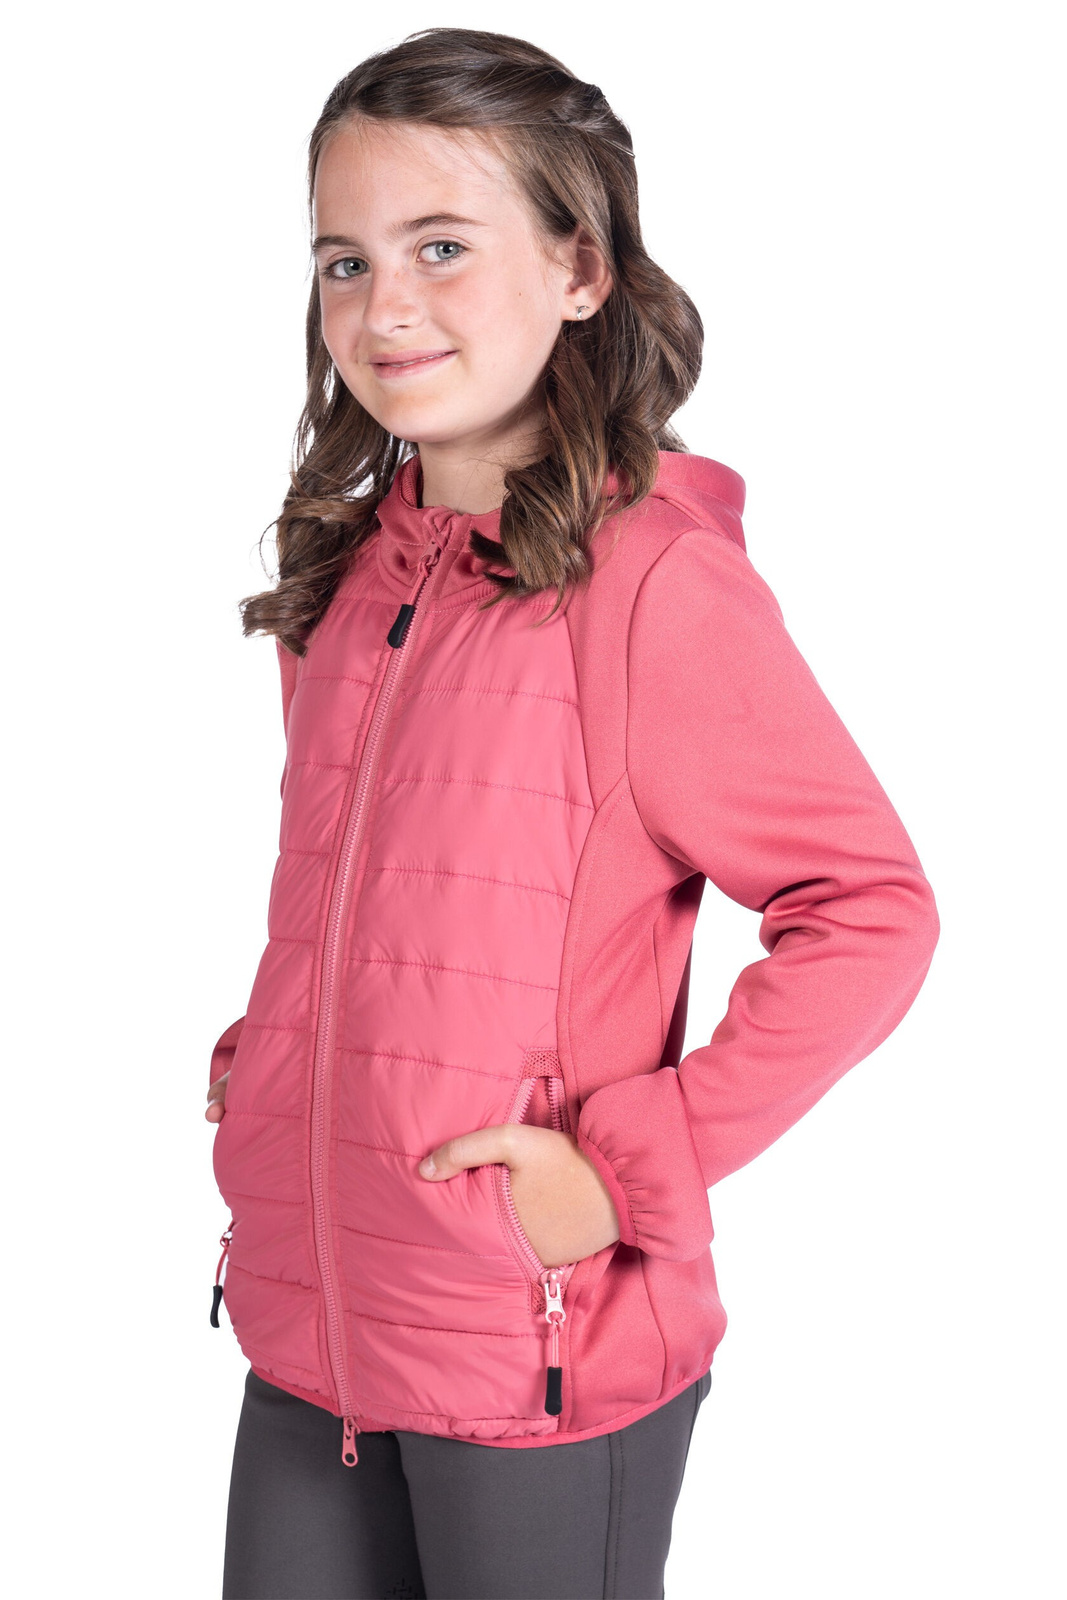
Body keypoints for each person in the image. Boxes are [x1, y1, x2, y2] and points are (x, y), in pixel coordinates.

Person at [203, 27, 940, 1600]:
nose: (384, 309)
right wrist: (282, 1060)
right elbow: (393, 905)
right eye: (343, 261)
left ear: (582, 270)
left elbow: (871, 910)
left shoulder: (653, 589)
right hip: (312, 1323)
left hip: (538, 1350)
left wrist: (622, 1166)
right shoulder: (346, 580)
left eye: (442, 248)